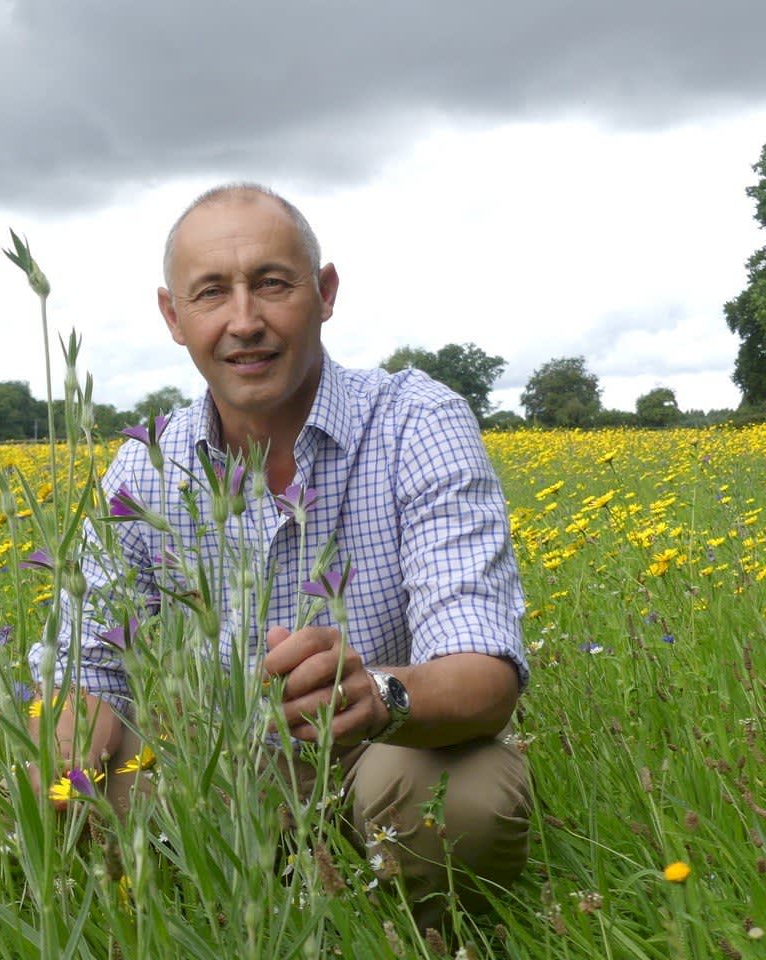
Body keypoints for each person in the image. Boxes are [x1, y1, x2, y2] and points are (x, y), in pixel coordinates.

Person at [28, 183, 531, 928]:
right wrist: (61, 785)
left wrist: (375, 697)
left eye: (272, 284)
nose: (245, 322)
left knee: (465, 797)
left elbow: (484, 671)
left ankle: (418, 932)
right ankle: (195, 919)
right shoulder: (146, 468)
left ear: (324, 294)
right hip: (219, 772)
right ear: (174, 317)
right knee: (42, 754)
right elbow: (90, 669)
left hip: (376, 758)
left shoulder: (415, 422)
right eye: (211, 293)